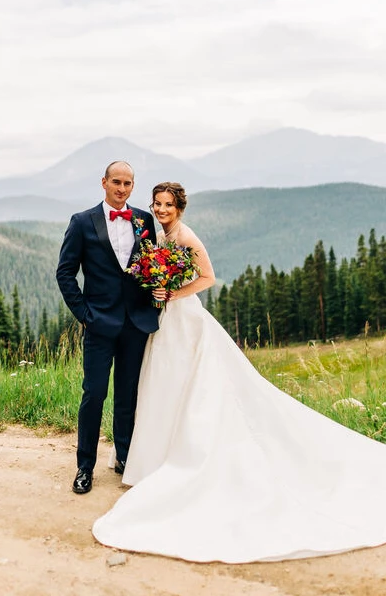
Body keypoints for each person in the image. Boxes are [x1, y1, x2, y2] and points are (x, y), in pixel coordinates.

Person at [93, 181, 386, 563]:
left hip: (186, 320)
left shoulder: (185, 235)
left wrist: (173, 293)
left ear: (180, 207)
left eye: (168, 204)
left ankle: (188, 454)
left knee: (192, 385)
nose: (162, 209)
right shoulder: (159, 234)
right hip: (164, 323)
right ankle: (156, 457)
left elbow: (207, 278)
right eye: (157, 203)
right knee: (163, 385)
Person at [56, 161, 158, 495]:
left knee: (128, 396)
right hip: (99, 323)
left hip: (135, 324)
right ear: (104, 182)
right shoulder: (82, 222)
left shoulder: (144, 220)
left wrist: (157, 295)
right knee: (94, 394)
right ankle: (85, 467)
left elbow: (152, 267)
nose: (122, 189)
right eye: (116, 182)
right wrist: (84, 314)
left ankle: (125, 459)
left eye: (128, 183)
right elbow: (66, 273)